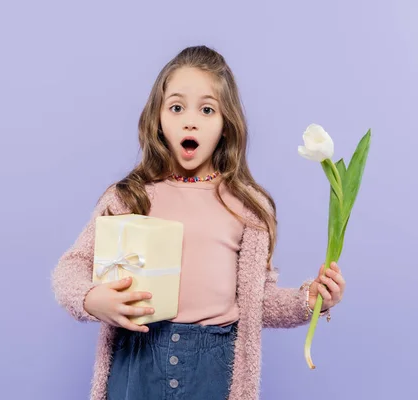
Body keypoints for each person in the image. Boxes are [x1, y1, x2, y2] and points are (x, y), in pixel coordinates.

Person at [51, 45, 346, 400]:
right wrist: (90, 299)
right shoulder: (129, 197)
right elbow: (71, 267)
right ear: (158, 119)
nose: (190, 120)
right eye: (176, 107)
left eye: (207, 110)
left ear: (225, 125)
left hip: (214, 369)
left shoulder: (247, 207)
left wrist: (308, 301)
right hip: (138, 360)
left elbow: (255, 302)